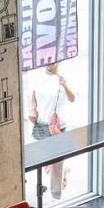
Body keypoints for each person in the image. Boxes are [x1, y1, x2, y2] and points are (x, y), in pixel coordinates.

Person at [27, 63, 76, 200]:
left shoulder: (64, 76)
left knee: (57, 163)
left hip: (58, 126)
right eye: (48, 59)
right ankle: (63, 170)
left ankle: (56, 195)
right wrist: (32, 110)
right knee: (44, 158)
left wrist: (65, 86)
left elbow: (73, 98)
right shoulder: (38, 75)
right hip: (41, 124)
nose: (50, 63)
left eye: (53, 60)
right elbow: (33, 94)